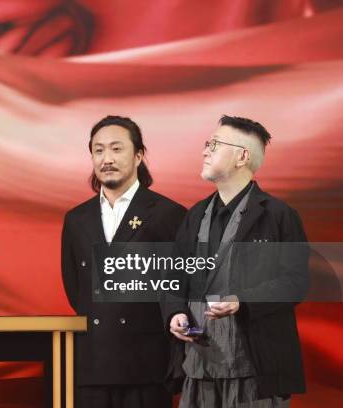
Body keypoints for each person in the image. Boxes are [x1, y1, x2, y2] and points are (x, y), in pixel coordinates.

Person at [163, 115, 309, 407]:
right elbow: (174, 276)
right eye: (207, 144)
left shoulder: (278, 215)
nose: (205, 151)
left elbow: (295, 282)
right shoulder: (195, 215)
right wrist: (175, 313)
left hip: (254, 368)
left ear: (242, 156)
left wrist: (243, 300)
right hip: (199, 365)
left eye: (214, 144)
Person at [61, 116, 186, 408]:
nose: (107, 159)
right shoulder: (77, 219)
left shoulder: (169, 214)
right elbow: (75, 286)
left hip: (145, 365)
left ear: (139, 155)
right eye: (99, 150)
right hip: (91, 362)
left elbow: (179, 284)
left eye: (117, 149)